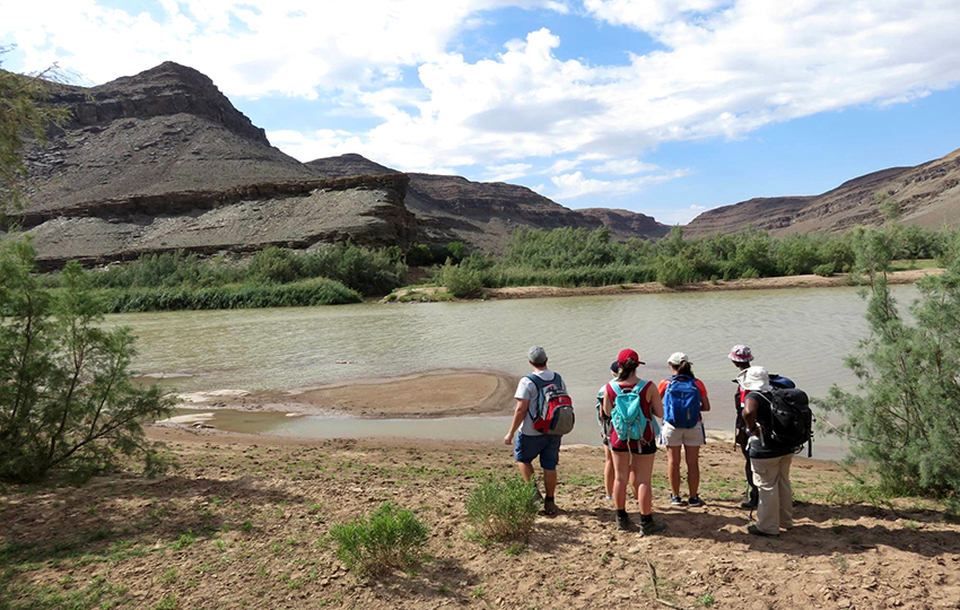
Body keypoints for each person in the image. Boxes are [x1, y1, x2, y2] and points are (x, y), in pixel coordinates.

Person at [601, 349, 666, 535]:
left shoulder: (610, 388)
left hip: (619, 437)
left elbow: (607, 412)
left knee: (620, 477)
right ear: (637, 366)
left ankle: (621, 519)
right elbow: (659, 413)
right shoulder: (649, 386)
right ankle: (646, 522)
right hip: (644, 437)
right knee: (644, 480)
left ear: (619, 366)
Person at [504, 346, 564, 515]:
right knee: (550, 465)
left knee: (522, 459)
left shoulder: (527, 381)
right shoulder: (558, 378)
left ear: (530, 362)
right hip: (554, 429)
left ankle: (534, 494)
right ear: (547, 359)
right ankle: (550, 501)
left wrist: (511, 432)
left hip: (532, 431)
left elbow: (521, 409)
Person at [740, 366, 794, 537]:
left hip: (766, 450)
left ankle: (768, 527)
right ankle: (785, 520)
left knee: (767, 487)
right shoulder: (777, 393)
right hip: (785, 446)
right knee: (783, 482)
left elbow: (748, 411)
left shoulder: (753, 396)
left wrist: (751, 427)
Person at [657, 352, 711, 507]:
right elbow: (706, 407)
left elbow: (655, 404)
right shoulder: (697, 383)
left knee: (673, 462)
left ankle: (675, 496)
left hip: (671, 426)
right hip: (693, 425)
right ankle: (693, 497)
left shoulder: (665, 383)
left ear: (671, 366)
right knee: (692, 462)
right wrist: (691, 410)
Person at [597, 361, 637, 503]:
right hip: (634, 429)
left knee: (610, 462)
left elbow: (603, 413)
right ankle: (636, 494)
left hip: (612, 428)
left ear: (613, 372)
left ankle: (609, 494)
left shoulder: (606, 388)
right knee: (633, 462)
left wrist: (603, 429)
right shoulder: (636, 385)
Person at [729, 344, 759, 509]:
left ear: (734, 362)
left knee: (751, 461)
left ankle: (755, 497)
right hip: (760, 426)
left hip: (749, 428)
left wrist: (745, 430)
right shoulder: (759, 376)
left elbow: (744, 410)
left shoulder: (744, 382)